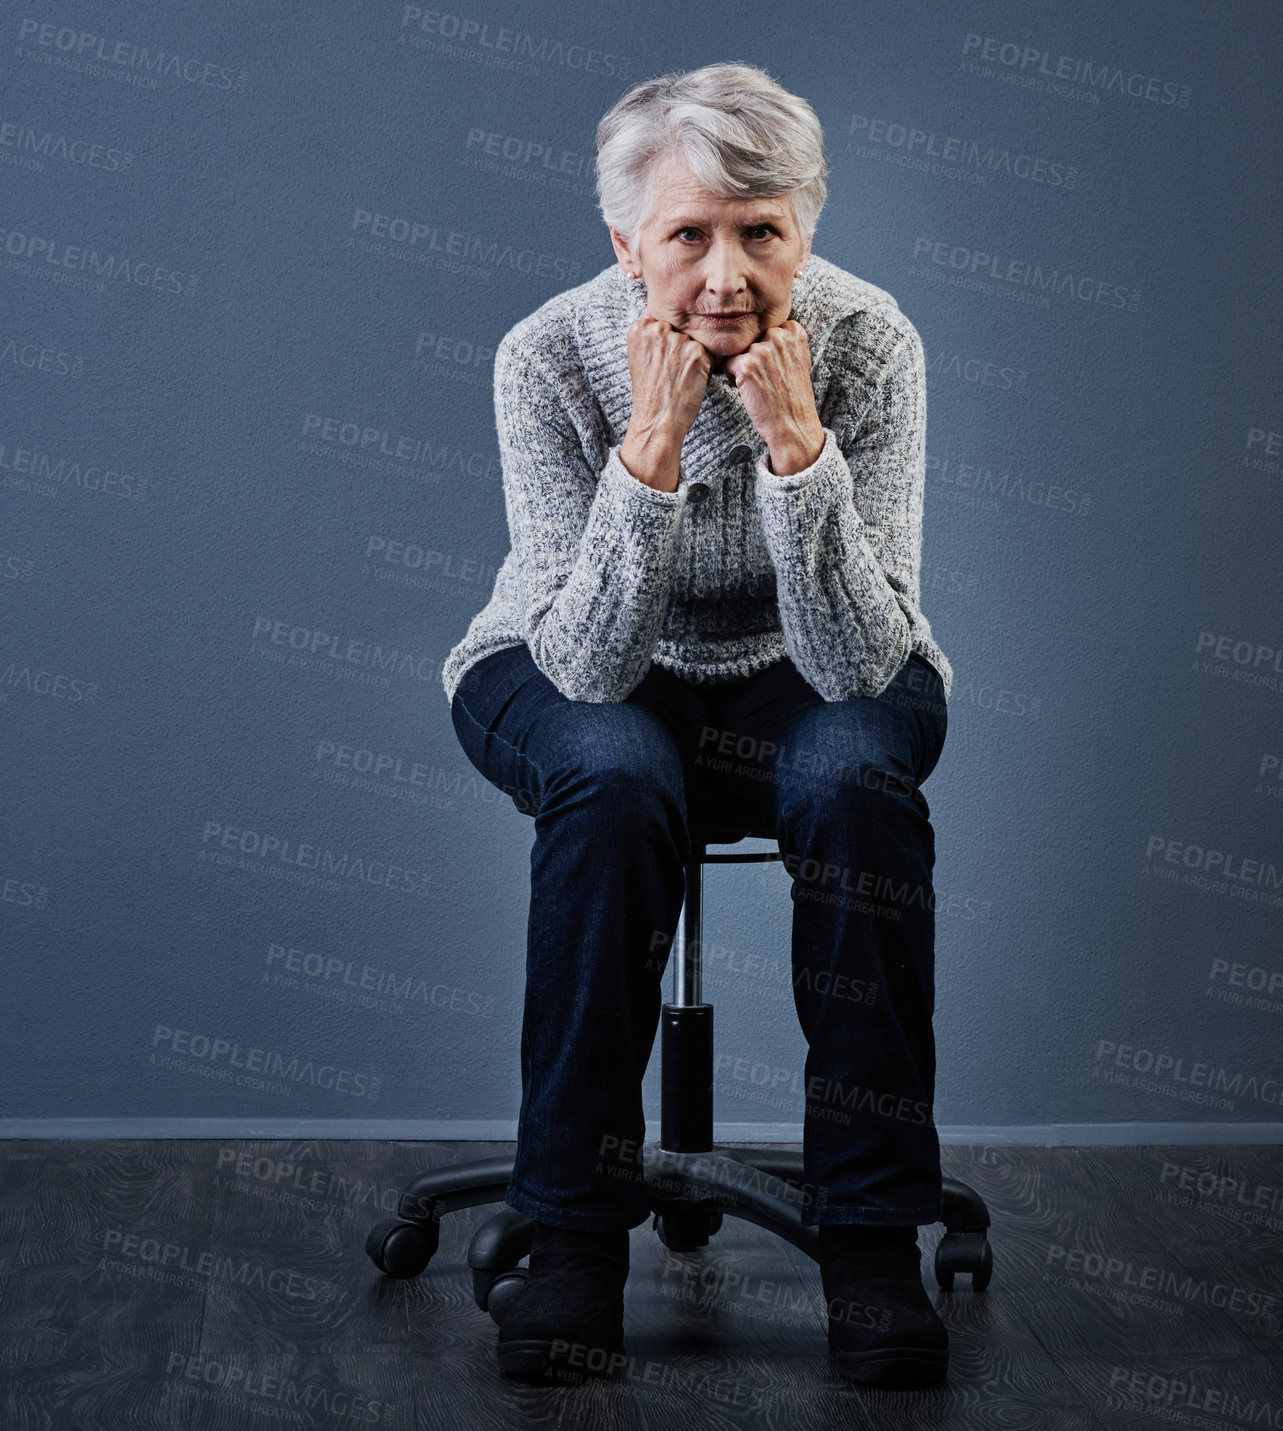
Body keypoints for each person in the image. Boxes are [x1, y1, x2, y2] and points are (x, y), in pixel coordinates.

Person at [443, 60, 954, 1389]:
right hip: (577, 654)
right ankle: (570, 1242)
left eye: (763, 232)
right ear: (628, 243)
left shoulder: (868, 344)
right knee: (612, 781)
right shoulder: (551, 354)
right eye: (689, 235)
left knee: (852, 784)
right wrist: (649, 453)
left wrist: (800, 455)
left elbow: (856, 661)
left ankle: (872, 1245)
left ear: (807, 229)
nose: (728, 273)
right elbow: (592, 665)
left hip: (820, 656)